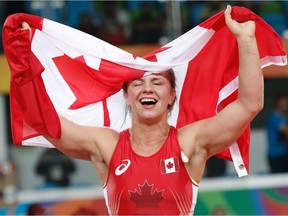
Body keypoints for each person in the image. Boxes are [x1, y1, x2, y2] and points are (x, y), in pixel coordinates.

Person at [20, 5, 263, 215]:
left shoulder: (189, 142)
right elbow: (44, 123)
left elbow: (248, 105)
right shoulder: (107, 145)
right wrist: (25, 63)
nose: (147, 89)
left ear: (171, 96)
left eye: (157, 82)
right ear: (126, 96)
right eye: (137, 83)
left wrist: (246, 40)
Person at [265, 93, 288, 173]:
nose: (285, 104)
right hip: (276, 155)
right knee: (279, 182)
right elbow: (285, 131)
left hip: (284, 155)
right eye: (283, 101)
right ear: (277, 103)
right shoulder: (273, 117)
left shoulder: (284, 117)